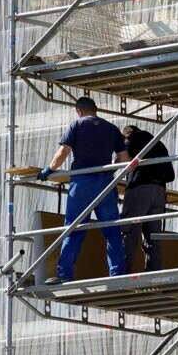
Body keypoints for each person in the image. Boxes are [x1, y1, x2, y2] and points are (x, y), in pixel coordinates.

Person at [38, 97, 130, 285]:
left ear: (79, 110)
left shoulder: (76, 125)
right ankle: (118, 274)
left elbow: (63, 152)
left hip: (81, 184)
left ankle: (64, 274)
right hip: (105, 183)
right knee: (112, 230)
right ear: (95, 109)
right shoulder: (111, 128)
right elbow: (124, 157)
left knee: (74, 229)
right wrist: (109, 169)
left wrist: (49, 170)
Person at [120, 125, 175, 273]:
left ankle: (122, 274)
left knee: (129, 232)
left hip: (139, 190)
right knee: (153, 237)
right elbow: (171, 175)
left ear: (128, 134)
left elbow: (122, 157)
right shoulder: (159, 144)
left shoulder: (133, 138)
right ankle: (152, 273)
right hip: (158, 192)